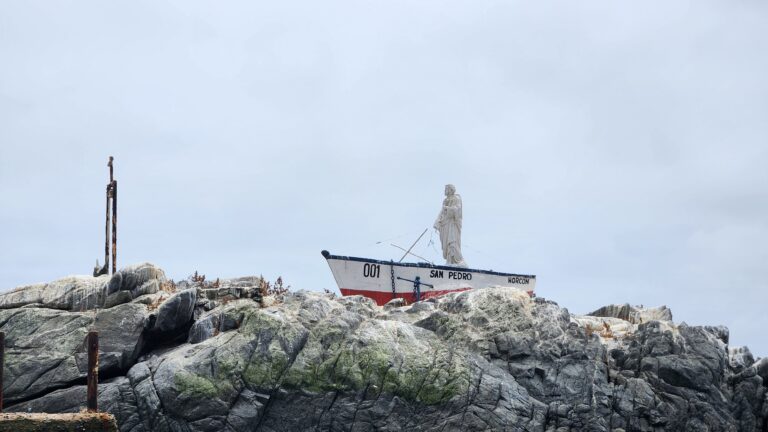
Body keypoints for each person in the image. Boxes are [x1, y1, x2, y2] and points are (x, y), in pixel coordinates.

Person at [434, 184, 467, 267]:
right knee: (447, 244)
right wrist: (437, 222)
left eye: (446, 189)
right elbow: (441, 212)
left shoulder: (456, 198)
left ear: (450, 190)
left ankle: (458, 261)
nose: (445, 191)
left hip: (452, 224)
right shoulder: (445, 201)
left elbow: (457, 210)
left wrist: (448, 209)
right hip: (446, 224)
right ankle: (449, 261)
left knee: (452, 242)